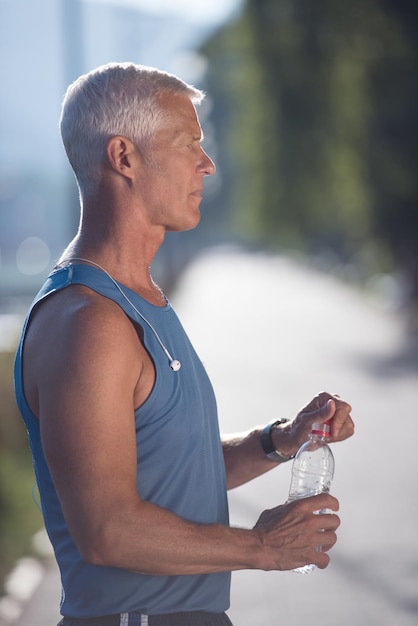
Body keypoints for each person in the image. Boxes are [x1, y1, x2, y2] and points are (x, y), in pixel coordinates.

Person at [14, 62, 354, 626]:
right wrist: (261, 546)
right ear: (124, 157)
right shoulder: (87, 322)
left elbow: (172, 471)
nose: (207, 162)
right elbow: (107, 530)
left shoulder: (137, 298)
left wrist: (281, 439)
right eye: (187, 143)